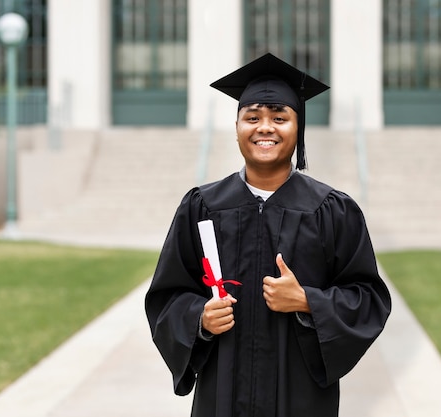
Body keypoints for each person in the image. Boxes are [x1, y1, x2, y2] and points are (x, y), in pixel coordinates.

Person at [145, 53, 391, 417]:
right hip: (222, 397)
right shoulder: (202, 206)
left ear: (298, 127)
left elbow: (368, 299)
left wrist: (308, 301)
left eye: (279, 117)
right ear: (237, 126)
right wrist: (200, 318)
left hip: (301, 399)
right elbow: (167, 296)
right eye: (253, 117)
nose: (265, 128)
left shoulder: (332, 210)